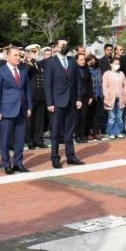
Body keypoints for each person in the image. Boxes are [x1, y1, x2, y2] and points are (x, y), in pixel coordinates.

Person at [43, 37, 85, 168]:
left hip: (71, 102)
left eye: (66, 45)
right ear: (55, 47)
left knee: (69, 131)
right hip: (57, 102)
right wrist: (50, 102)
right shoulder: (50, 62)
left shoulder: (72, 61)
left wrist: (78, 98)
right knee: (55, 132)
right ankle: (55, 158)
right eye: (62, 45)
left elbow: (78, 81)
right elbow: (47, 84)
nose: (64, 47)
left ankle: (71, 156)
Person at [0, 46, 33, 174]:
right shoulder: (0, 72)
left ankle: (18, 163)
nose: (18, 58)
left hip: (21, 109)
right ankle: (6, 164)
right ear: (7, 56)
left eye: (19, 55)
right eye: (15, 55)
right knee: (5, 139)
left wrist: (29, 106)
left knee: (20, 139)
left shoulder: (23, 70)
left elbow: (27, 90)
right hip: (7, 110)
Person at [24, 45, 47, 149]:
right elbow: (25, 73)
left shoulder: (39, 65)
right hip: (31, 97)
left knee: (40, 121)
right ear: (28, 53)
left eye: (36, 52)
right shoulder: (25, 65)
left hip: (41, 96)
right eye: (33, 52)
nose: (35, 54)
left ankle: (38, 139)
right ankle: (30, 141)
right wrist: (31, 60)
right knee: (30, 121)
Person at [102, 57, 126, 139]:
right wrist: (107, 98)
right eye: (115, 63)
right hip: (111, 99)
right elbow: (104, 87)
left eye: (118, 64)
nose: (117, 65)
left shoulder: (121, 73)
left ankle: (118, 131)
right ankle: (111, 132)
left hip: (120, 98)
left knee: (119, 117)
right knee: (112, 117)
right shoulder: (106, 74)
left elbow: (125, 85)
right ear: (111, 64)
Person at [74, 53, 94, 143]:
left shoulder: (86, 69)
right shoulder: (73, 69)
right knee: (77, 117)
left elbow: (90, 83)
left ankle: (83, 135)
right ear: (76, 60)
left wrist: (91, 96)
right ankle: (77, 135)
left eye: (84, 59)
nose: (83, 61)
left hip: (85, 95)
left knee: (84, 116)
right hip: (76, 96)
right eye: (81, 59)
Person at [86, 55, 103, 140]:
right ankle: (88, 132)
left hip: (99, 95)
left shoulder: (99, 70)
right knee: (89, 115)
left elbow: (101, 82)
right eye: (90, 60)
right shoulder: (87, 70)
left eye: (94, 60)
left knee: (97, 115)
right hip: (91, 96)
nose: (93, 62)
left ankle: (95, 132)